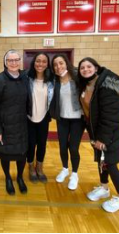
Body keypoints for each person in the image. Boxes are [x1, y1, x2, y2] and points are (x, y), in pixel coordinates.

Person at [78, 57, 119, 213]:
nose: (85, 69)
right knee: (101, 162)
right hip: (97, 131)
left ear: (96, 67)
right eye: (82, 68)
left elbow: (111, 116)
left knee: (110, 163)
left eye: (89, 66)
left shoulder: (106, 86)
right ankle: (104, 187)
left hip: (111, 132)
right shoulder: (87, 85)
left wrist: (103, 139)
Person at [0, 49, 28, 195]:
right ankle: (8, 178)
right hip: (5, 126)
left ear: (20, 61)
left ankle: (19, 177)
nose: (14, 63)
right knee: (6, 154)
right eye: (10, 60)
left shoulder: (24, 77)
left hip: (22, 125)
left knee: (22, 154)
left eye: (16, 59)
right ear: (5, 62)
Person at [50, 54, 85, 190]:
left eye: (61, 63)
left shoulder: (77, 78)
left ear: (67, 63)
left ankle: (74, 174)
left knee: (73, 148)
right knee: (62, 146)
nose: (58, 67)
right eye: (55, 65)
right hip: (62, 118)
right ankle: (65, 168)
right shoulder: (55, 81)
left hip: (77, 119)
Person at [26, 52, 54, 183]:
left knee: (42, 144)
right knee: (31, 144)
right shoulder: (26, 78)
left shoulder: (52, 80)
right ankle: (31, 167)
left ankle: (40, 167)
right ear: (34, 62)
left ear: (47, 64)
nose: (40, 64)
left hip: (44, 118)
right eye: (38, 61)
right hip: (29, 117)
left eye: (43, 61)